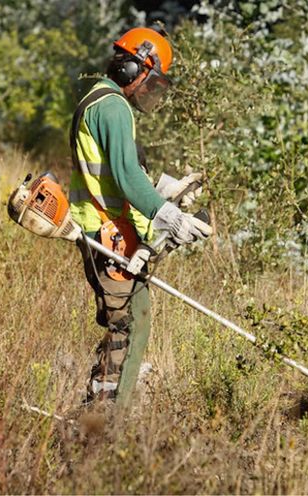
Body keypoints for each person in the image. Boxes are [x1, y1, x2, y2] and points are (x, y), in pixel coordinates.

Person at [69, 27, 211, 407]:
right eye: (150, 79)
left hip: (106, 227)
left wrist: (164, 190)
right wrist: (169, 216)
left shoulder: (99, 100)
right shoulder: (113, 106)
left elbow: (120, 171)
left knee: (133, 319)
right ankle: (102, 419)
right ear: (133, 69)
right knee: (127, 327)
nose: (149, 91)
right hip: (107, 231)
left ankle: (100, 408)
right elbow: (127, 177)